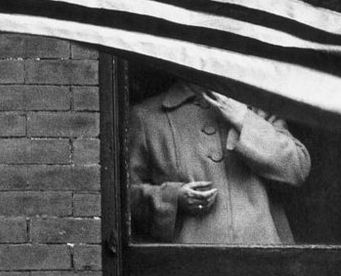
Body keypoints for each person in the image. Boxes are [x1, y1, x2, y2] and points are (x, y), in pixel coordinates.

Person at [128, 80, 310, 244]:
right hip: (188, 265)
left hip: (263, 262)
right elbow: (122, 197)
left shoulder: (258, 108)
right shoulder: (147, 116)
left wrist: (244, 120)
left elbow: (298, 168)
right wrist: (172, 198)